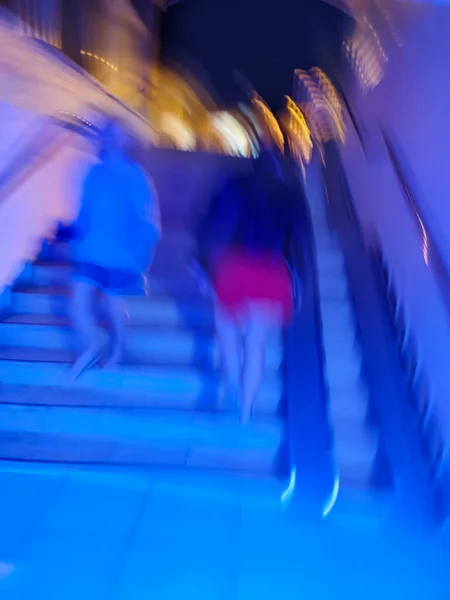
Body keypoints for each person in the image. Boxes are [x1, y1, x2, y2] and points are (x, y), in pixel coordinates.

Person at [193, 143, 304, 424]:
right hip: (272, 272)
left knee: (228, 334)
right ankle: (246, 410)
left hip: (235, 269)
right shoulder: (289, 197)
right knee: (256, 341)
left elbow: (213, 229)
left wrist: (203, 266)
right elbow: (297, 245)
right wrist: (298, 284)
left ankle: (232, 387)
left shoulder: (234, 187)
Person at [65, 119, 161, 382]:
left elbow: (148, 223)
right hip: (90, 250)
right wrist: (73, 236)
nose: (110, 140)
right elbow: (83, 213)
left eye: (116, 136)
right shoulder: (92, 173)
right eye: (107, 136)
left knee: (113, 303)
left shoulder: (137, 177)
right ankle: (93, 344)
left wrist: (142, 257)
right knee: (77, 303)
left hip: (123, 256)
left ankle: (117, 354)